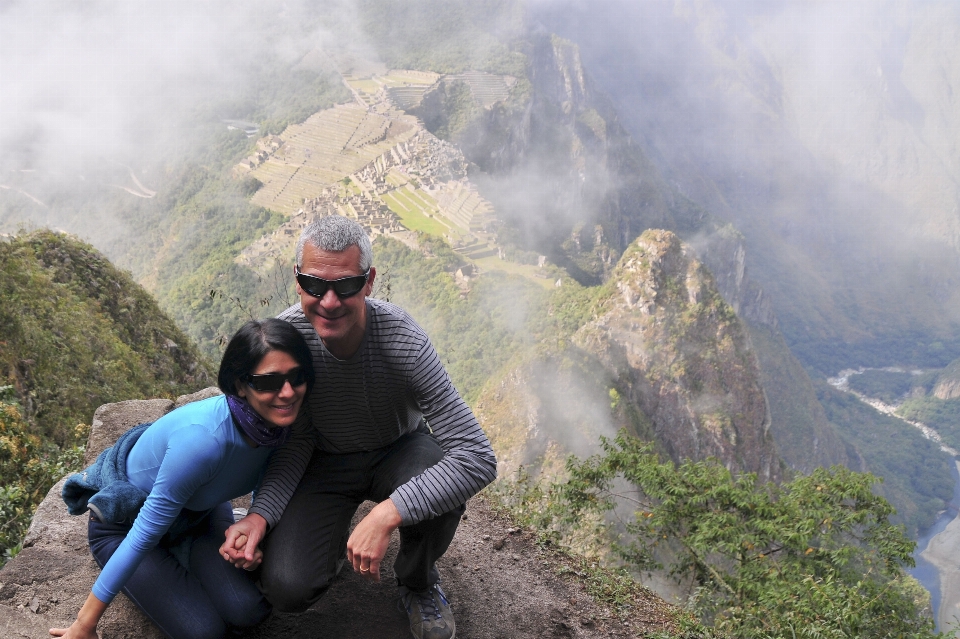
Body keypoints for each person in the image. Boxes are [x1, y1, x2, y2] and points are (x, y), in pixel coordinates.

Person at [221, 215, 498, 639]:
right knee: (287, 589)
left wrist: (389, 512)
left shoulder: (404, 341)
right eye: (315, 284)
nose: (329, 301)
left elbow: (477, 457)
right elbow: (295, 443)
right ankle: (328, 543)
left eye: (345, 285)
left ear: (369, 282)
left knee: (439, 482)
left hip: (400, 449)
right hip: (324, 460)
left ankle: (417, 580)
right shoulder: (289, 341)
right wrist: (262, 517)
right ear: (297, 281)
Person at [50, 318, 315, 639]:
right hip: (126, 526)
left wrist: (254, 535)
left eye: (296, 377)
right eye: (269, 382)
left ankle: (185, 556)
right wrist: (84, 625)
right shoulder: (204, 443)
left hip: (199, 513)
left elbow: (266, 484)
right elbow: (144, 533)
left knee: (249, 611)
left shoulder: (280, 427)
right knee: (204, 631)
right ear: (240, 385)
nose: (287, 393)